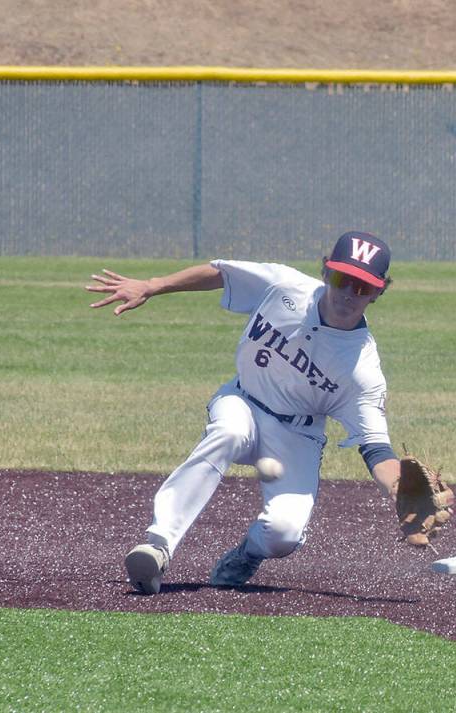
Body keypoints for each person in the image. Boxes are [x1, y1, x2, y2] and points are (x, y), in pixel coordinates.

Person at [86, 231, 407, 594]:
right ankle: (158, 543)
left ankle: (248, 553)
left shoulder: (362, 368)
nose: (349, 293)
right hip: (243, 400)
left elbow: (376, 447)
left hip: (297, 435)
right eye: (342, 279)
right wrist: (152, 285)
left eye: (363, 287)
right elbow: (221, 273)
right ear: (325, 273)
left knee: (283, 534)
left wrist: (402, 491)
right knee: (229, 433)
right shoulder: (283, 286)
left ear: (379, 292)